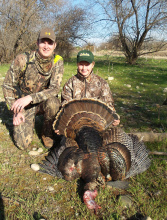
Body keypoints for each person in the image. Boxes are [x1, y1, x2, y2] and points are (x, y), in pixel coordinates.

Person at [2, 27, 64, 150]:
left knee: (54, 103)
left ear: (54, 45)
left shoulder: (57, 61)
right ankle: (25, 120)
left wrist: (30, 97)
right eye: (43, 42)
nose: (46, 46)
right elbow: (8, 85)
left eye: (50, 43)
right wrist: (15, 110)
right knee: (22, 144)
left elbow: (55, 88)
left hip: (42, 102)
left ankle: (47, 132)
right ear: (37, 43)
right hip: (23, 105)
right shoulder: (23, 59)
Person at [61, 49, 120, 126]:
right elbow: (65, 105)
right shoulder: (70, 83)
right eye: (81, 64)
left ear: (93, 64)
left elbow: (109, 105)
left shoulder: (102, 83)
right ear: (77, 64)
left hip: (96, 123)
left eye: (87, 65)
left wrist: (115, 117)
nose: (84, 68)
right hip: (76, 123)